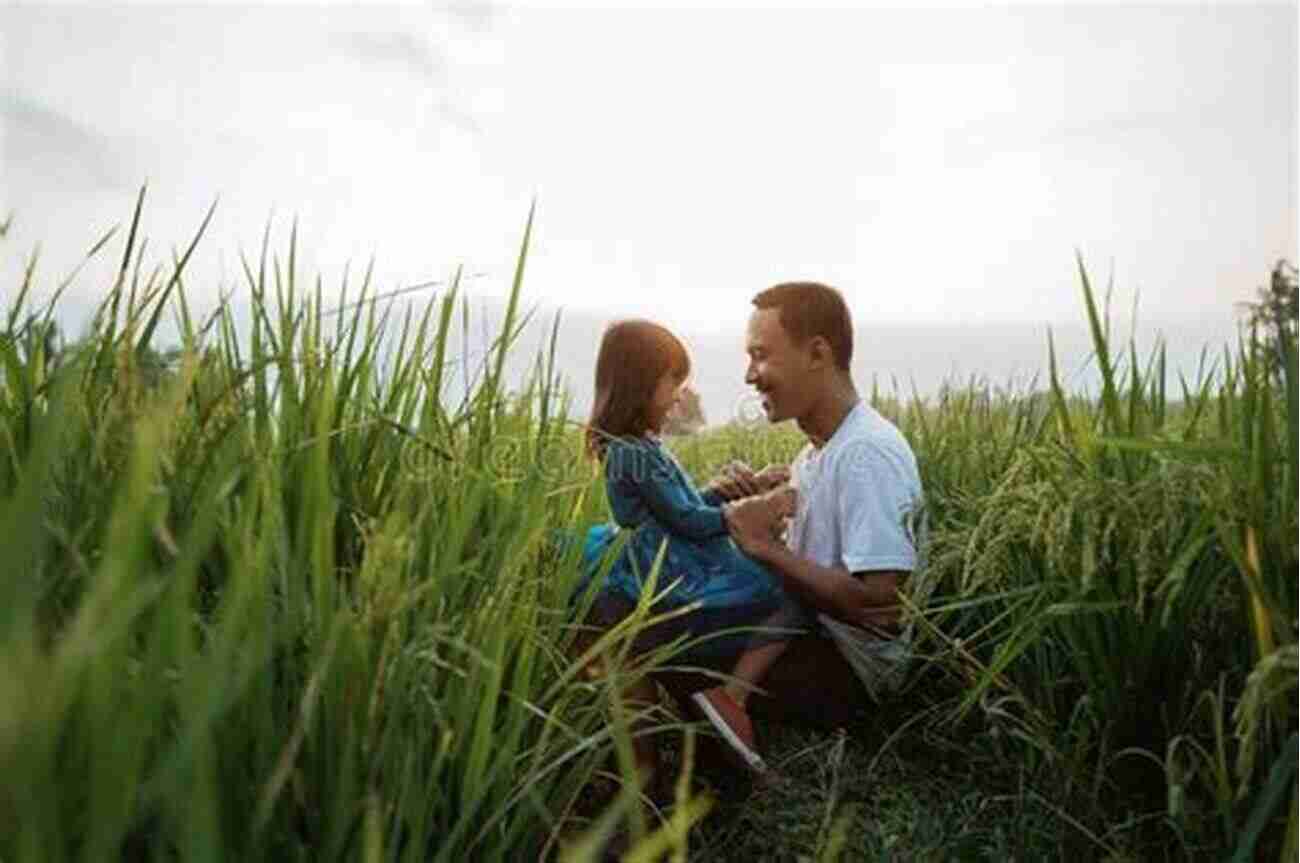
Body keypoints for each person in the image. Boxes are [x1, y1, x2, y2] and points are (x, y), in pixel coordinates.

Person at [683, 281, 927, 748]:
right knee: (668, 610)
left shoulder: (866, 453)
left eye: (761, 356)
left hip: (849, 673)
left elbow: (881, 605)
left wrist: (763, 546)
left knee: (659, 632)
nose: (751, 376)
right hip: (810, 638)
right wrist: (759, 505)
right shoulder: (815, 455)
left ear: (817, 354)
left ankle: (654, 773)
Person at [574, 319, 805, 782]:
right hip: (669, 565)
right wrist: (752, 509)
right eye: (672, 382)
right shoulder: (635, 453)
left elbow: (680, 508)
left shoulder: (640, 447)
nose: (680, 395)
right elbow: (686, 522)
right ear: (640, 387)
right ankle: (731, 696)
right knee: (780, 597)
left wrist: (729, 492)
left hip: (672, 547)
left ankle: (722, 699)